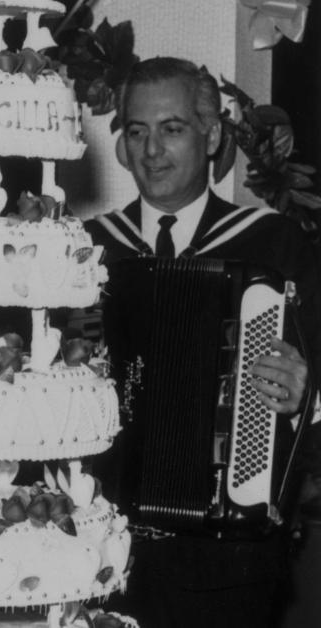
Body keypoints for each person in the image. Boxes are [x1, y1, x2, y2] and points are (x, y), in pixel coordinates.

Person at [85, 56, 321, 628]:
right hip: (94, 551)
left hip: (226, 564)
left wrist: (303, 394)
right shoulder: (84, 248)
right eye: (136, 132)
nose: (151, 150)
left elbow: (316, 394)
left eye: (172, 129)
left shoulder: (273, 244)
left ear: (212, 135)